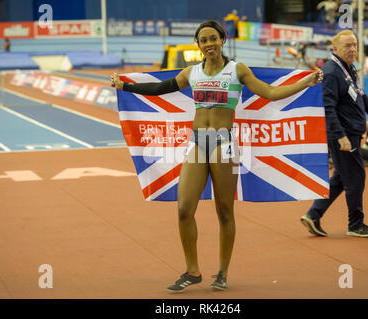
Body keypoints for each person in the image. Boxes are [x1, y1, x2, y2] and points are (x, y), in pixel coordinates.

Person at [111, 20, 323, 292]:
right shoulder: (192, 72)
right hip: (198, 142)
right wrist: (125, 86)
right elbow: (160, 88)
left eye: (213, 38)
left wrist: (306, 81)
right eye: (203, 40)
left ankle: (222, 272)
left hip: (224, 143)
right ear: (198, 45)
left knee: (224, 212)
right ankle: (192, 270)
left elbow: (270, 93)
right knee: (184, 208)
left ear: (222, 40)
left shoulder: (237, 70)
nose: (209, 44)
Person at [300, 30, 368, 238]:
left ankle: (313, 215)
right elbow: (328, 108)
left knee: (341, 178)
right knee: (357, 178)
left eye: (354, 45)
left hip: (350, 132)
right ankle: (356, 224)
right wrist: (340, 135)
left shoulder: (349, 68)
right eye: (347, 46)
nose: (352, 49)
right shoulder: (332, 72)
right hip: (343, 135)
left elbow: (361, 96)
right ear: (335, 49)